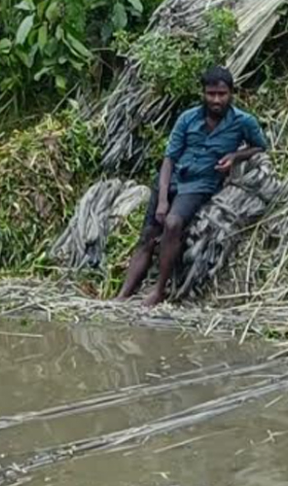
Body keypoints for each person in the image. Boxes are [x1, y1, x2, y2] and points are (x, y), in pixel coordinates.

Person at [115, 66, 268, 307]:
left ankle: (159, 290)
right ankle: (123, 295)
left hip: (201, 183)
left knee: (173, 223)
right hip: (173, 179)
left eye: (221, 94)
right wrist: (163, 199)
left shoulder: (243, 121)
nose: (216, 100)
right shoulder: (188, 118)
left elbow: (260, 146)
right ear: (203, 94)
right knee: (147, 235)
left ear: (231, 94)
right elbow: (169, 159)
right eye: (211, 94)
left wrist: (235, 156)